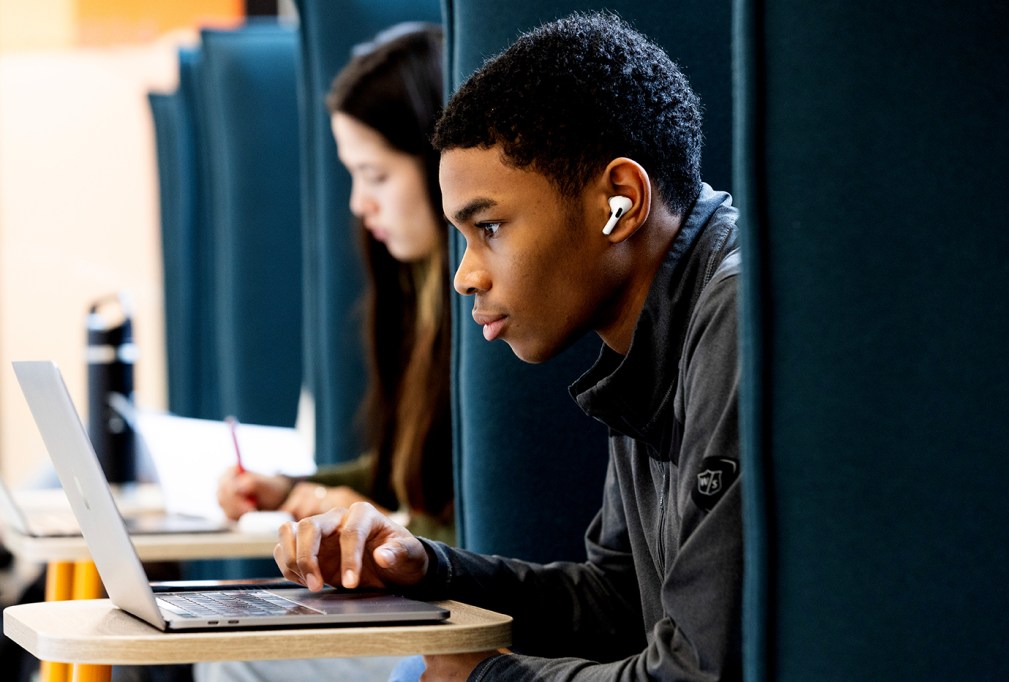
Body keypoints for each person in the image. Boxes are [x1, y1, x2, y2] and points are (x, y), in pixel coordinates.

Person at [275, 11, 743, 681]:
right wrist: (429, 568)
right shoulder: (652, 330)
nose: (466, 274)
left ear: (621, 201)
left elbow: (693, 674)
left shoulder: (734, 321)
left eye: (488, 227)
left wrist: (484, 678)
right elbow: (619, 603)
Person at [195, 23, 452, 682]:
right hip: (423, 593)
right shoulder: (413, 291)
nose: (358, 203)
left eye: (374, 174)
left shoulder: (483, 304)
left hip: (454, 604)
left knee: (233, 660)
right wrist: (288, 489)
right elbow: (409, 469)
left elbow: (477, 523)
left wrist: (386, 522)